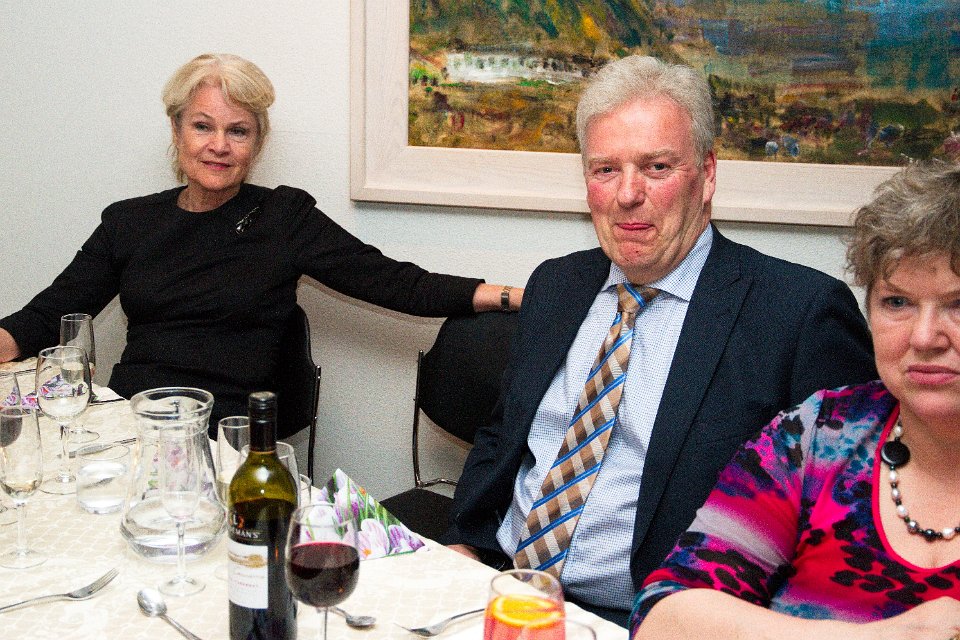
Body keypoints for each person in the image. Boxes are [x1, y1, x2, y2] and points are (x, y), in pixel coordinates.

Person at [441, 55, 877, 627]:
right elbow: (506, 434)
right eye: (605, 170)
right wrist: (463, 545)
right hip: (499, 587)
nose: (628, 194)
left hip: (650, 620)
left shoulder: (800, 315)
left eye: (657, 167)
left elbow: (840, 531)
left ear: (708, 174)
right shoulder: (556, 285)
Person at [0, 53, 521, 431]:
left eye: (238, 131)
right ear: (177, 132)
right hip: (130, 421)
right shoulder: (128, 222)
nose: (219, 146)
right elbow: (48, 314)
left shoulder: (284, 217)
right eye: (202, 127)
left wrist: (513, 295)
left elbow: (394, 282)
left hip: (228, 432)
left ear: (258, 142)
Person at [632, 159, 960, 638]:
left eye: (958, 304)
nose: (925, 337)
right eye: (897, 302)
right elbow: (663, 614)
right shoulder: (820, 433)